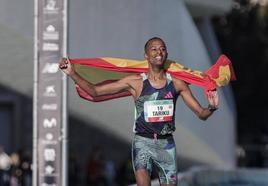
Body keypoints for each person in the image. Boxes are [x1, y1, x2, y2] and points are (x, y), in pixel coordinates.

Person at [59, 37, 219, 186]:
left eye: (162, 49)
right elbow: (95, 91)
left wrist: (211, 107)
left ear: (167, 54)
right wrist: (72, 73)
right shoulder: (135, 82)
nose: (159, 52)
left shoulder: (177, 84)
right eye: (154, 49)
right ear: (146, 56)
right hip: (142, 142)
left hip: (166, 144)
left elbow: (201, 113)